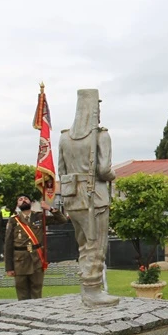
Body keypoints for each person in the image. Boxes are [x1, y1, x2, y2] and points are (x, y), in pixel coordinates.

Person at [58, 88, 118, 306]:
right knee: (96, 245)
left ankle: (86, 287)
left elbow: (61, 170)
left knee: (83, 245)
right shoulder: (101, 136)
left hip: (72, 198)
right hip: (95, 198)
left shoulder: (65, 138)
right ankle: (92, 290)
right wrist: (114, 176)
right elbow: (104, 170)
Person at [4, 194, 69, 300]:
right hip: (20, 261)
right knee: (22, 292)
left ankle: (36, 313)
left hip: (36, 259)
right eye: (20, 200)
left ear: (31, 202)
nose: (23, 200)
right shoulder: (13, 220)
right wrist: (9, 267)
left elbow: (62, 220)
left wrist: (49, 208)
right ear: (17, 204)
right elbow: (8, 244)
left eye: (26, 199)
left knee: (37, 290)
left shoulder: (39, 216)